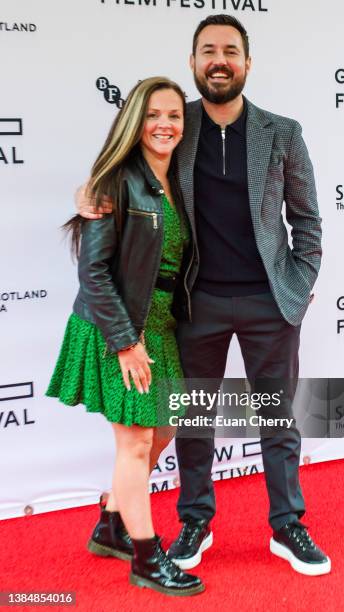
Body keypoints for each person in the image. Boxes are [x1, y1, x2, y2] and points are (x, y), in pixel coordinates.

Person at [76, 15, 331, 577]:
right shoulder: (174, 124)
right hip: (194, 304)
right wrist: (91, 189)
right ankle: (194, 520)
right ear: (192, 63)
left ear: (247, 62)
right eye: (208, 51)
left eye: (231, 51)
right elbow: (124, 167)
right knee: (192, 419)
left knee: (277, 416)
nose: (220, 60)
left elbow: (307, 220)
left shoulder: (282, 132)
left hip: (270, 302)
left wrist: (300, 282)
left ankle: (287, 524)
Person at [46, 76, 204, 596]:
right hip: (118, 324)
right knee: (135, 443)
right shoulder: (115, 182)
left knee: (163, 430)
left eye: (175, 115)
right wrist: (124, 341)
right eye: (154, 114)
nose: (165, 124)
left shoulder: (178, 178)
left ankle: (112, 523)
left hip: (159, 323)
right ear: (135, 122)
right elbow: (94, 272)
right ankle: (145, 556)